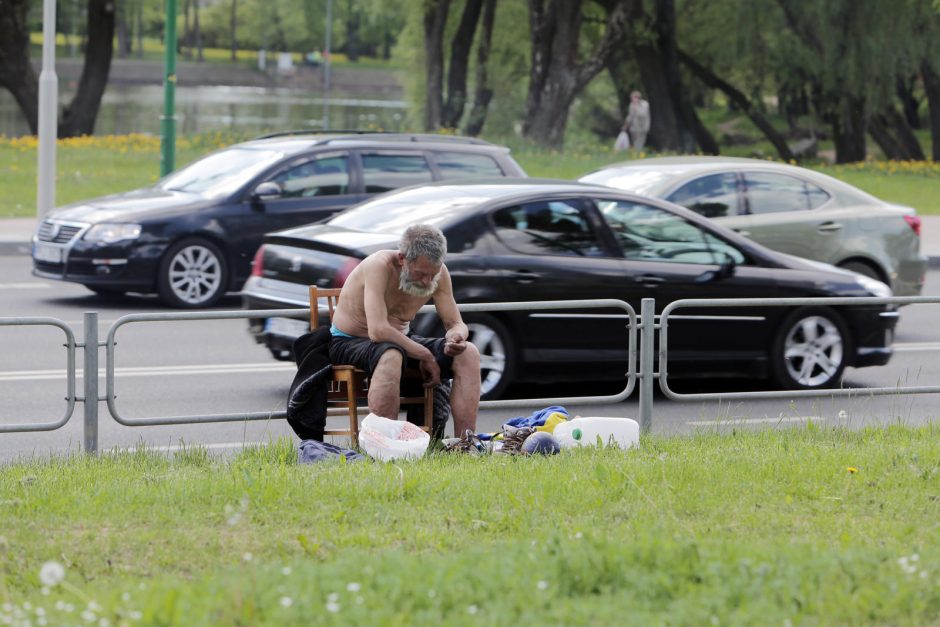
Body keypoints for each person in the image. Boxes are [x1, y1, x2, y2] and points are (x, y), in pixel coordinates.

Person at [329, 224, 481, 437]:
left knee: (469, 353)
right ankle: (384, 447)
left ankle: (466, 443)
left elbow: (456, 323)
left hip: (400, 340)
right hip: (350, 340)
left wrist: (457, 336)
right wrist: (425, 354)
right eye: (421, 273)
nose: (428, 281)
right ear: (402, 259)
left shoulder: (439, 274)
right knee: (391, 354)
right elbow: (378, 331)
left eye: (433, 274)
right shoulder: (378, 265)